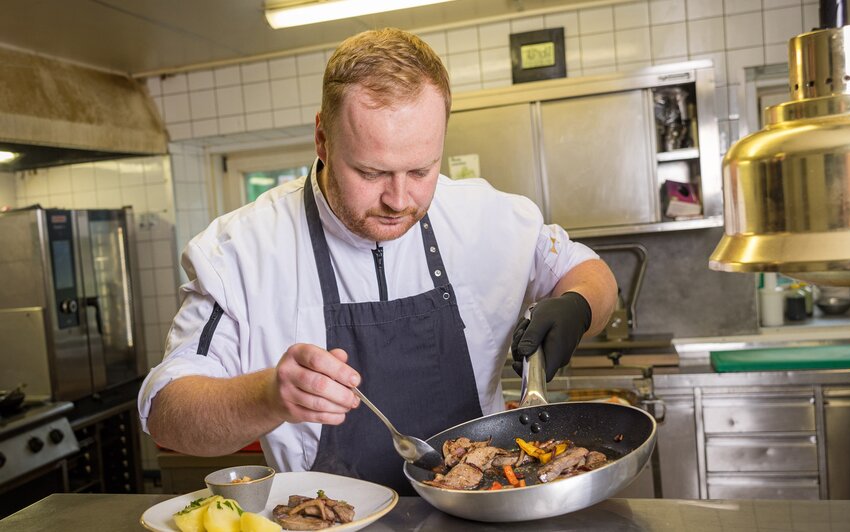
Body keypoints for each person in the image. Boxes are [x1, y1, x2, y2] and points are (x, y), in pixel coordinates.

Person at [138, 28, 617, 495]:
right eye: (371, 172)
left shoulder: (488, 217)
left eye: (422, 170)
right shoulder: (240, 251)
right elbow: (168, 412)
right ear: (323, 140)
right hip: (327, 520)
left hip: (481, 511)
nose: (399, 199)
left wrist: (577, 304)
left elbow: (590, 274)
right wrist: (268, 396)